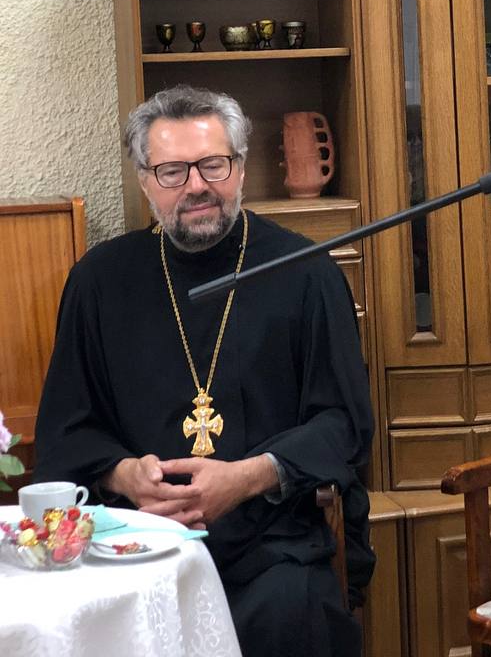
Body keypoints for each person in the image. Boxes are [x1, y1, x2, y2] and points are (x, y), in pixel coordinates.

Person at [35, 84, 374, 657]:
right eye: (172, 171)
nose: (196, 186)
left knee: (292, 614)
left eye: (213, 165)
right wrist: (123, 475)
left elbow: (343, 423)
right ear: (145, 181)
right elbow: (66, 429)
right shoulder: (99, 281)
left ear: (239, 168)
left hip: (270, 543)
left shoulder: (306, 272)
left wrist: (247, 477)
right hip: (137, 545)